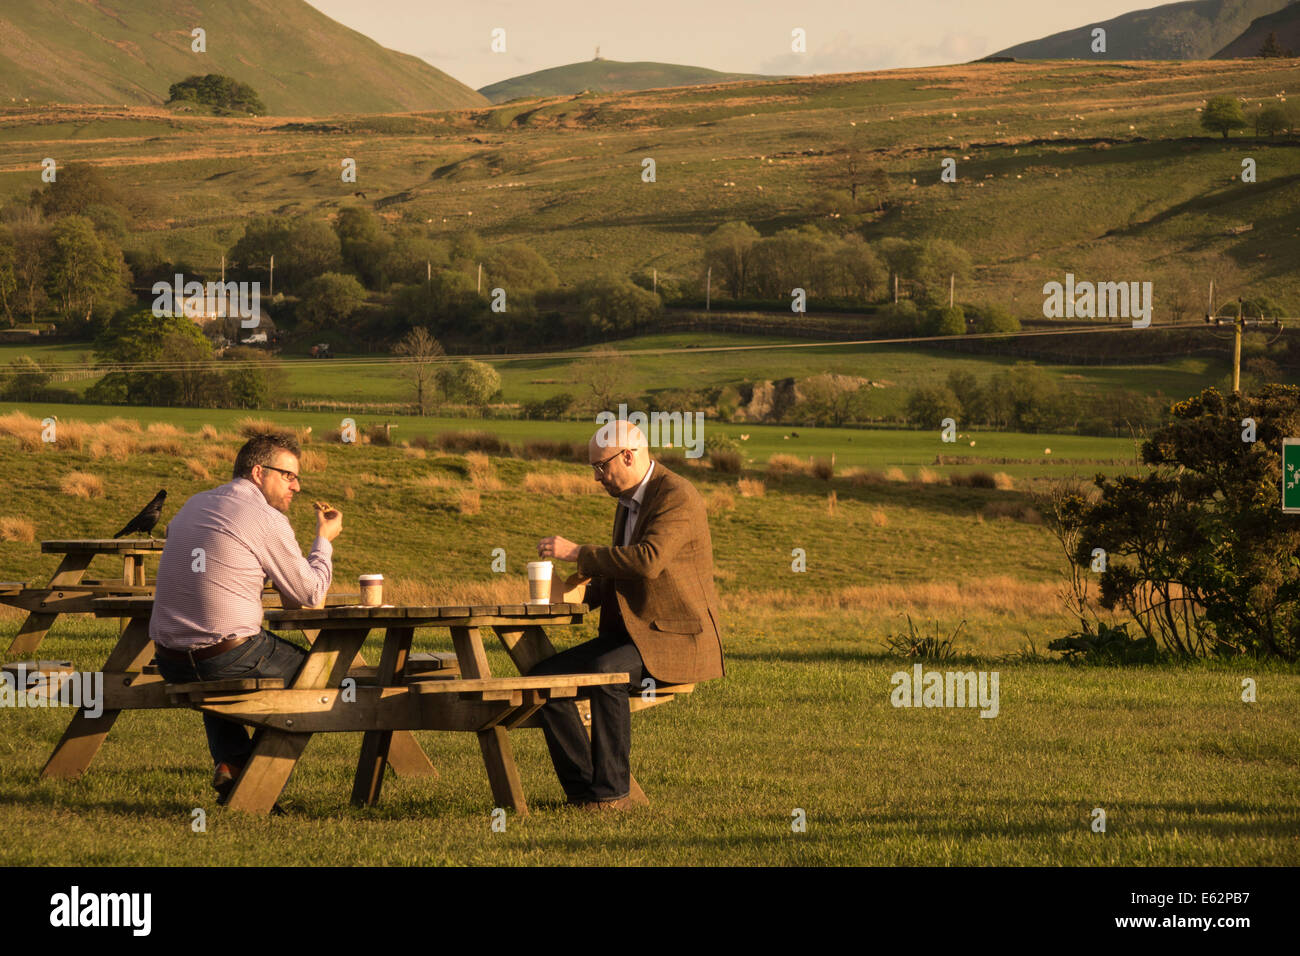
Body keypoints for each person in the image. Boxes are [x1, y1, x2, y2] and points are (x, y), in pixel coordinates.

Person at [535, 420, 724, 810]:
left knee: (606, 673)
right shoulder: (627, 501)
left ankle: (612, 796)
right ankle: (582, 792)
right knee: (541, 681)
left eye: (601, 467)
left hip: (675, 638)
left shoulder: (676, 495)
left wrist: (578, 552)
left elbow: (647, 562)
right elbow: (620, 573)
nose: (597, 477)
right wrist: (575, 597)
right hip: (633, 638)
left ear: (628, 455)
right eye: (593, 469)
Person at [149, 432, 342, 802]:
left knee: (218, 662)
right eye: (288, 476)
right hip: (225, 658)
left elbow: (288, 597)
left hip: (169, 660)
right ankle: (256, 789)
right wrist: (324, 540)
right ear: (258, 472)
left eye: (297, 478)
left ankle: (233, 763)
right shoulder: (264, 518)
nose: (297, 487)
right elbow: (311, 596)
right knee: (324, 678)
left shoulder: (193, 504)